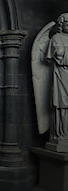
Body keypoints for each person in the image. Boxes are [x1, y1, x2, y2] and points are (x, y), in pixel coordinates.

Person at [46, 13, 68, 141]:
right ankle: (60, 133)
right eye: (67, 24)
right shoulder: (57, 38)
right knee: (61, 105)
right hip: (61, 76)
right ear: (61, 25)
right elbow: (60, 57)